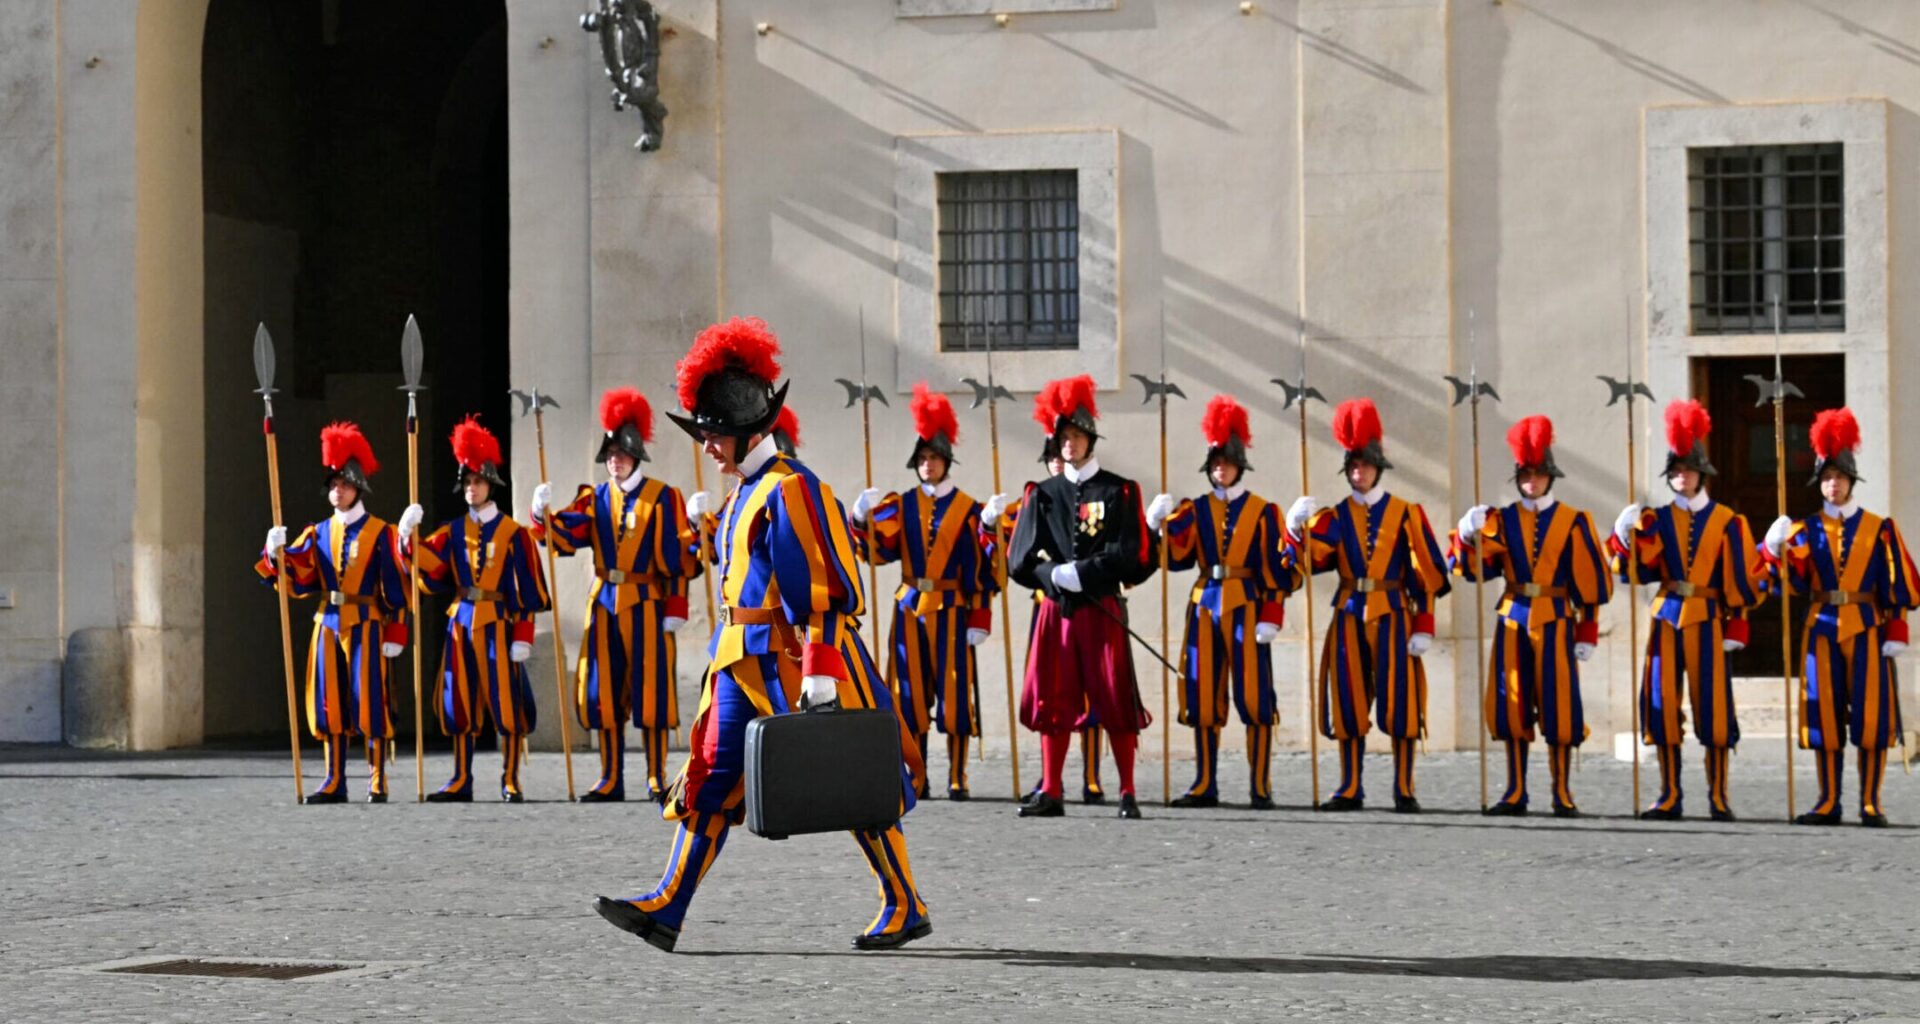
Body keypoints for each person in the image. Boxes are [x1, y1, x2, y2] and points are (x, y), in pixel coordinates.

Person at [593, 316, 930, 953]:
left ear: (748, 430)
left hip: (793, 658)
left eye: (715, 434)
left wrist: (824, 672)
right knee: (712, 774)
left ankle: (904, 899)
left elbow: (828, 589)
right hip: (738, 658)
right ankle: (669, 904)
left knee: (846, 776)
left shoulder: (792, 489)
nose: (708, 446)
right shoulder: (747, 491)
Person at [530, 388, 702, 804]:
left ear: (635, 456)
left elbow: (680, 555)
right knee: (601, 691)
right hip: (604, 601)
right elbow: (565, 534)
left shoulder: (663, 497)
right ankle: (609, 776)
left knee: (652, 692)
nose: (614, 461)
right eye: (609, 455)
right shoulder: (595, 498)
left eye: (620, 455)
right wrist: (541, 515)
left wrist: (676, 603)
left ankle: (657, 776)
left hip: (646, 602)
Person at [1286, 398, 1450, 813]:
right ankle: (1349, 785)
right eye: (1352, 467)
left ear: (1377, 467)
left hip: (1394, 610)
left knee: (1402, 702)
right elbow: (1309, 561)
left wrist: (1425, 623)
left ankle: (1404, 786)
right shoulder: (1336, 515)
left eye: (1364, 466)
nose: (1358, 473)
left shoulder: (1406, 513)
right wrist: (1294, 531)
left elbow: (1425, 571)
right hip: (1348, 612)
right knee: (1348, 700)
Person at [1759, 407, 1918, 827]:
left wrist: (1896, 628)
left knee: (1871, 718)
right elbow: (1787, 583)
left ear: (1851, 482)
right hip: (1822, 627)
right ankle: (1828, 800)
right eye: (1827, 479)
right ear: (1820, 484)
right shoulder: (1805, 530)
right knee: (1824, 716)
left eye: (1840, 478)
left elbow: (1897, 582)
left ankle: (1871, 802)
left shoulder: (1879, 528)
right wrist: (1773, 549)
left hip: (1867, 625)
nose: (1833, 485)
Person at [1007, 375, 1156, 820]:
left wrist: (1085, 572)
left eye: (1075, 436)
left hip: (1102, 608)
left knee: (1115, 697)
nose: (1068, 444)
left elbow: (1131, 554)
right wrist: (1053, 574)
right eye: (1062, 437)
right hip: (1057, 611)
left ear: (1090, 439)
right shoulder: (1042, 493)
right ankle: (1052, 789)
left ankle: (1127, 790)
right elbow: (1019, 560)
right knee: (1052, 698)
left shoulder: (1119, 490)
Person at [1448, 416, 1612, 817]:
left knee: (1559, 707)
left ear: (1549, 478)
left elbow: (1589, 581)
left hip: (1557, 617)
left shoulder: (1575, 520)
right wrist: (1469, 536)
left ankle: (1562, 791)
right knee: (1512, 703)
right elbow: (1476, 569)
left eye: (1538, 475)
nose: (1531, 482)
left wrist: (1587, 630)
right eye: (1525, 475)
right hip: (1513, 617)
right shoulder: (1500, 521)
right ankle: (1515, 790)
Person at [1611, 399, 1764, 821]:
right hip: (1665, 617)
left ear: (1702, 474)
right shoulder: (1655, 519)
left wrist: (1739, 625)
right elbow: (1637, 572)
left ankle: (1718, 795)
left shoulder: (1729, 521)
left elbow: (1745, 580)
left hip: (1710, 618)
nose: (1682, 477)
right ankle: (1669, 793)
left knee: (1713, 708)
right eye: (1676, 471)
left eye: (1688, 471)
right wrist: (1624, 537)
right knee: (1661, 701)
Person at [1146, 395, 1299, 809]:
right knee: (1202, 695)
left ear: (1239, 464)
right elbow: (1175, 556)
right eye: (1215, 462)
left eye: (1226, 462)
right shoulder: (1194, 509)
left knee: (1255, 696)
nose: (1220, 468)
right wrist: (1156, 524)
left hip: (1248, 605)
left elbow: (1280, 567)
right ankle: (1204, 782)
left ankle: (1261, 784)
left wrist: (1273, 612)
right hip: (1204, 605)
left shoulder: (1265, 512)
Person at [850, 383, 1001, 799]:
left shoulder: (970, 509)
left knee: (955, 692)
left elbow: (985, 569)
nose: (927, 465)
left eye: (933, 458)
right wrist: (860, 518)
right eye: (921, 459)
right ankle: (917, 773)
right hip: (910, 606)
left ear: (946, 461)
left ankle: (958, 774)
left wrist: (981, 616)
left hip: (952, 607)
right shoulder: (902, 504)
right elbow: (879, 551)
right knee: (909, 694)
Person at [258, 422, 415, 804]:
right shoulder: (317, 532)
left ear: (357, 487)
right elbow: (292, 571)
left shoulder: (382, 532)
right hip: (327, 622)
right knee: (329, 702)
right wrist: (273, 551)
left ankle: (377, 776)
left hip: (366, 622)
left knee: (369, 699)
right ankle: (334, 779)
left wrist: (397, 630)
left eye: (343, 484)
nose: (336, 490)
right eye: (332, 484)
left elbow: (397, 586)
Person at [409, 416, 551, 802]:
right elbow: (432, 568)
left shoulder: (514, 534)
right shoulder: (452, 531)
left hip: (499, 624)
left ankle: (510, 778)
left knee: (506, 704)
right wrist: (409, 540)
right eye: (468, 482)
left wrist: (523, 635)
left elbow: (528, 591)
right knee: (459, 701)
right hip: (461, 622)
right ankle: (460, 778)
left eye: (478, 482)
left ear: (491, 485)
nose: (472, 488)